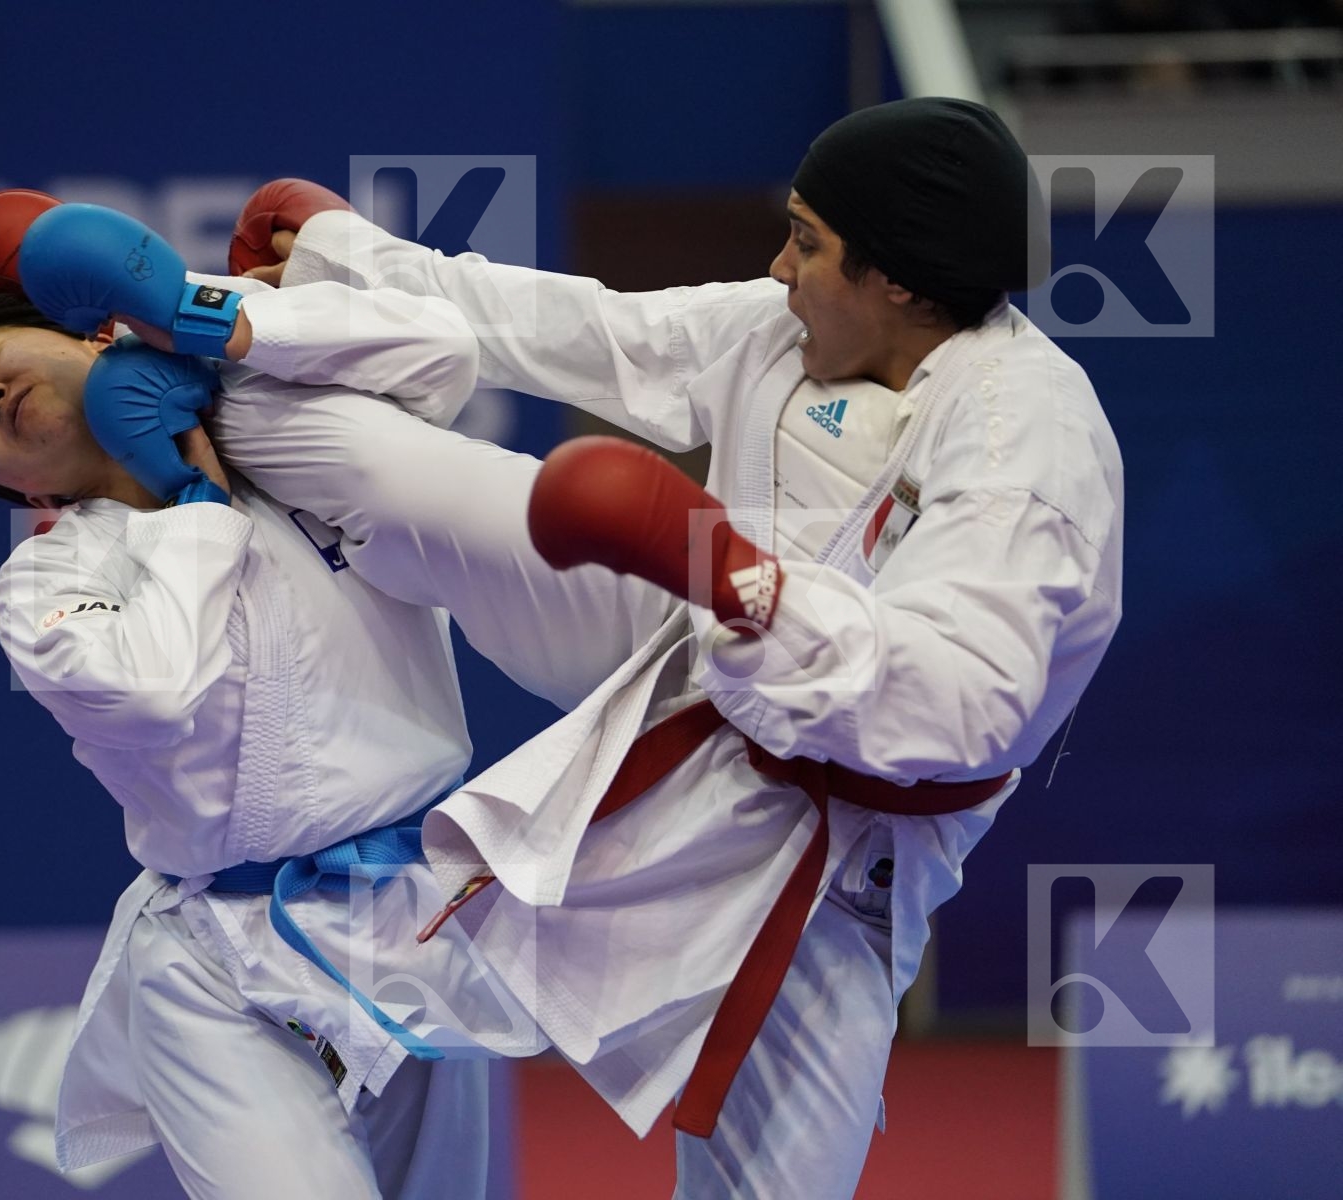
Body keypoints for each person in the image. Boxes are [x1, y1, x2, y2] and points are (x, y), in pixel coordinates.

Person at [172, 97, 1122, 1198]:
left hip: (836, 852)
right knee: (420, 484)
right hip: (687, 654)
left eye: (807, 241)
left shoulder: (1028, 447)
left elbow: (962, 706)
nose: (777, 266)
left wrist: (734, 578)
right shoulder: (786, 324)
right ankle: (169, 385)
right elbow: (583, 328)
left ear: (901, 280)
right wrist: (351, 259)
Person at [0, 255, 578, 1197]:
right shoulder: (48, 583)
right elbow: (150, 693)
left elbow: (441, 355)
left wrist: (208, 314)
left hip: (415, 920)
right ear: (20, 492)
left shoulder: (286, 437)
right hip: (217, 966)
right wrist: (194, 509)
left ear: (97, 335)